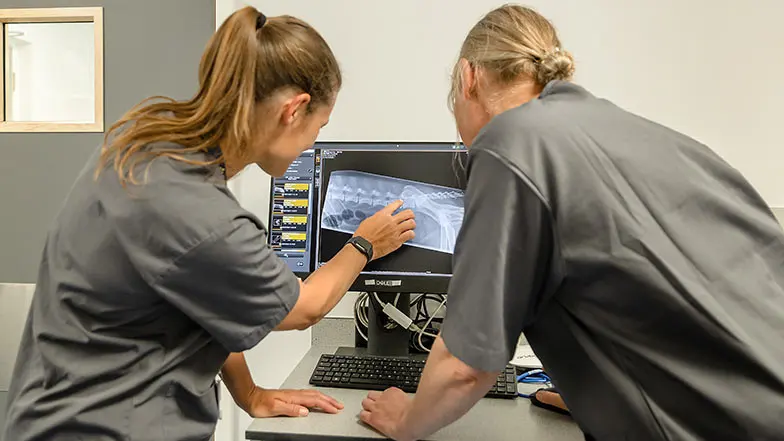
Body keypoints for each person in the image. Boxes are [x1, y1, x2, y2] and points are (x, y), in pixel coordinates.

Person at [360, 4, 784, 441]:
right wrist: (593, 391)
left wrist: (406, 421)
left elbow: (465, 367)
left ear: (469, 77)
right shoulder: (651, 137)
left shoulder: (511, 143)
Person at [2, 7, 417, 441]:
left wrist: (250, 394)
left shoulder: (146, 142)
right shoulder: (199, 214)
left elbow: (201, 296)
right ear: (294, 110)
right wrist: (364, 243)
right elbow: (305, 307)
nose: (315, 141)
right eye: (320, 125)